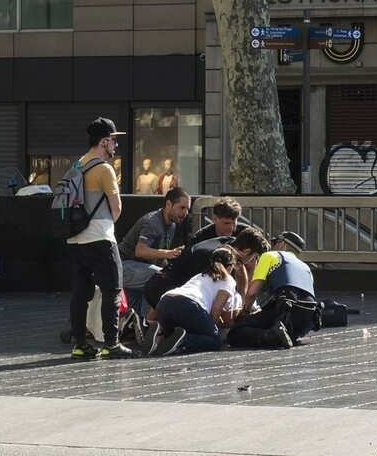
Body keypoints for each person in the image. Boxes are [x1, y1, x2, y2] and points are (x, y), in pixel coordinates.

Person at [67, 117, 138, 360]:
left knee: (80, 293)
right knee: (112, 290)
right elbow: (116, 207)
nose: (116, 146)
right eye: (114, 141)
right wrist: (106, 224)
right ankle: (111, 344)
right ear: (104, 141)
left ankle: (79, 345)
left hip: (76, 239)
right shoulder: (105, 169)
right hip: (101, 237)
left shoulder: (77, 164)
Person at [143, 227, 270, 319]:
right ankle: (153, 328)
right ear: (247, 251)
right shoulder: (217, 259)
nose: (254, 262)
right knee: (188, 321)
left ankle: (147, 326)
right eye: (254, 257)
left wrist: (242, 303)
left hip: (158, 283)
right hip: (163, 288)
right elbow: (215, 305)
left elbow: (240, 269)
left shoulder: (232, 244)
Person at [227, 231, 318, 349]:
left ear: (282, 244)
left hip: (286, 311)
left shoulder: (271, 256)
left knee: (237, 332)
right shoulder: (306, 267)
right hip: (307, 322)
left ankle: (271, 336)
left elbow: (251, 293)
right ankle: (278, 335)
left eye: (275, 243)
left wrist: (246, 312)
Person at [149, 246, 243, 356]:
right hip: (188, 306)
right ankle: (183, 340)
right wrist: (213, 327)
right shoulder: (227, 280)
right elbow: (217, 309)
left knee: (178, 331)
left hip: (164, 303)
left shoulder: (200, 275)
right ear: (231, 266)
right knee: (214, 341)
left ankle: (160, 335)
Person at [118, 187, 191, 315]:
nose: (185, 213)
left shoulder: (171, 225)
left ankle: (137, 328)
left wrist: (172, 271)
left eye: (187, 209)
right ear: (169, 204)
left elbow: (161, 258)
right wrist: (167, 253)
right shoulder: (152, 222)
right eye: (182, 207)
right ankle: (158, 320)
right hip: (122, 265)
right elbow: (140, 251)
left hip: (139, 267)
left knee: (132, 314)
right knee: (162, 281)